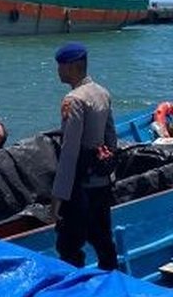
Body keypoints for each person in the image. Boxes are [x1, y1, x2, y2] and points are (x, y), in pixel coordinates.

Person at [49, 41, 119, 270]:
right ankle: (112, 280)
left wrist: (58, 197)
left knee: (69, 246)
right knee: (103, 240)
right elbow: (111, 138)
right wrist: (109, 174)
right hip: (101, 180)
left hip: (79, 185)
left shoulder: (74, 100)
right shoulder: (102, 93)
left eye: (60, 66)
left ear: (71, 66)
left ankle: (75, 284)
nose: (58, 71)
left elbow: (69, 152)